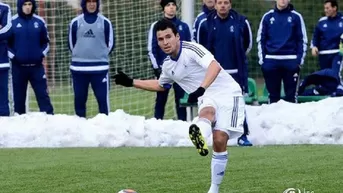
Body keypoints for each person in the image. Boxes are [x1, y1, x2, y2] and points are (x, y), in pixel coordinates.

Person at [115, 19, 245, 193]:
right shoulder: (168, 66)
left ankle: (214, 187)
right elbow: (161, 85)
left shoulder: (191, 49)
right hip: (206, 97)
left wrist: (201, 88)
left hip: (228, 93)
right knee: (208, 112)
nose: (165, 42)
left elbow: (214, 67)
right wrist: (132, 82)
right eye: (160, 39)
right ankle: (200, 135)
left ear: (177, 36)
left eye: (168, 37)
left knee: (220, 139)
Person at [206, 0, 252, 146]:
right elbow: (202, 48)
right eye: (220, 2)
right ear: (215, 5)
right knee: (214, 103)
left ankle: (243, 135)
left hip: (236, 71)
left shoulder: (241, 22)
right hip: (215, 73)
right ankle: (216, 135)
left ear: (230, 5)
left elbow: (248, 45)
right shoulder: (206, 22)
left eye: (226, 2)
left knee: (238, 105)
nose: (223, 5)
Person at [68, 0, 115, 118]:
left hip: (100, 69)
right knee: (79, 101)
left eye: (94, 1)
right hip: (79, 69)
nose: (92, 4)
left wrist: (99, 55)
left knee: (103, 101)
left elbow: (110, 44)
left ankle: (105, 128)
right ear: (84, 4)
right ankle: (79, 128)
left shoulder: (105, 22)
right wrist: (81, 55)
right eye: (89, 1)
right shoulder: (75, 22)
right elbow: (71, 44)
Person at [257, 0, 308, 103]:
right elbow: (261, 39)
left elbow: (302, 40)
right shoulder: (267, 16)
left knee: (291, 97)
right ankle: (273, 119)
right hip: (271, 61)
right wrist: (263, 61)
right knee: (273, 98)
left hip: (291, 61)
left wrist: (298, 61)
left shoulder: (296, 17)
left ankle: (292, 119)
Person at [8, 0, 53, 115]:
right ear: (20, 6)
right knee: (18, 101)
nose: (27, 7)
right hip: (18, 68)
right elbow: (6, 45)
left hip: (36, 68)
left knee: (43, 97)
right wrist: (15, 56)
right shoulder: (12, 22)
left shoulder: (40, 21)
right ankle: (19, 127)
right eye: (24, 4)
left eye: (30, 4)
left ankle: (50, 123)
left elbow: (46, 43)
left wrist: (41, 54)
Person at [147, 0, 190, 121]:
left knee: (181, 101)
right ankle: (156, 126)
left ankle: (182, 128)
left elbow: (189, 47)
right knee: (160, 100)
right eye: (168, 5)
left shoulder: (184, 26)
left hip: (181, 70)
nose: (171, 8)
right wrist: (157, 68)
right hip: (164, 71)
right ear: (163, 9)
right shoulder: (156, 26)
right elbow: (151, 49)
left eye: (173, 5)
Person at [311, 0, 343, 76]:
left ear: (334, 8)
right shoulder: (321, 21)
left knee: (335, 75)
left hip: (338, 53)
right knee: (325, 77)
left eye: (328, 8)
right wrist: (314, 47)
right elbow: (315, 37)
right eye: (325, 8)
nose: (325, 10)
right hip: (323, 54)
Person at [0, 2, 12, 116]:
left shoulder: (4, 8)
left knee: (2, 95)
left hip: (1, 61)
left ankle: (4, 126)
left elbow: (7, 30)